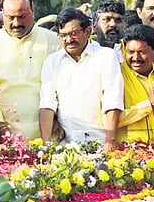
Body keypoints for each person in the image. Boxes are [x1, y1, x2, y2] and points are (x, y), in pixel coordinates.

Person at [0, 0, 59, 140]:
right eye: (10, 17)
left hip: (48, 132)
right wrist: (1, 127)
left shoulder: (54, 41)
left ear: (33, 10)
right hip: (1, 135)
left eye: (22, 17)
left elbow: (64, 87)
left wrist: (59, 119)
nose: (16, 23)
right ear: (2, 14)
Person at [39, 8, 123, 152]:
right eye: (63, 35)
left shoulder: (106, 56)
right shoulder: (52, 62)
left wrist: (110, 141)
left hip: (101, 142)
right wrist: (46, 146)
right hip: (65, 144)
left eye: (74, 33)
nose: (69, 40)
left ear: (88, 32)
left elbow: (112, 100)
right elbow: (47, 104)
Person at [118, 24, 154, 143]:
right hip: (129, 153)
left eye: (142, 52)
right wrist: (149, 105)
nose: (135, 58)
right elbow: (111, 120)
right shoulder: (116, 77)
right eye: (130, 52)